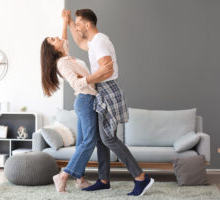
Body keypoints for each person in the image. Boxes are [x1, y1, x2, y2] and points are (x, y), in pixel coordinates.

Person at [63, 9, 155, 196]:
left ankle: (141, 177)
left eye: (79, 24)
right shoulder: (94, 41)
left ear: (88, 25)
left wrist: (85, 81)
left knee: (108, 138)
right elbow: (80, 42)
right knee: (100, 139)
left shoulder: (100, 41)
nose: (78, 27)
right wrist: (69, 21)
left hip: (107, 90)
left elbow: (107, 69)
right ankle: (103, 180)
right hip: (101, 91)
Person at [40, 10, 113, 193]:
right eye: (53, 40)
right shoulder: (62, 63)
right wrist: (96, 75)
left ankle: (79, 179)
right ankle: (63, 176)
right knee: (89, 141)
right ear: (53, 50)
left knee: (82, 143)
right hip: (85, 100)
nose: (57, 38)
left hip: (87, 100)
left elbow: (64, 40)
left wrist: (65, 22)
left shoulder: (66, 56)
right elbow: (77, 83)